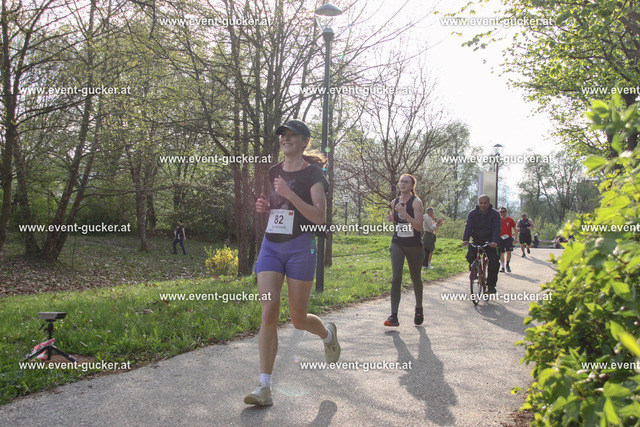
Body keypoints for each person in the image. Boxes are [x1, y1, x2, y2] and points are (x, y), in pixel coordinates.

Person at [245, 120, 339, 406]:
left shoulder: (314, 173)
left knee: (298, 320)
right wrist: (264, 206)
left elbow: (318, 216)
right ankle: (264, 387)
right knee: (268, 312)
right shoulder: (274, 171)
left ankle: (327, 334)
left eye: (291, 135)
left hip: (300, 247)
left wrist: (289, 194)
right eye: (282, 135)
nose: (285, 139)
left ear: (304, 141)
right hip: (271, 246)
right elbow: (278, 206)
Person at [385, 174, 425, 327]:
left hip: (414, 245)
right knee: (396, 277)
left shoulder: (416, 202)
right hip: (398, 243)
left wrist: (403, 212)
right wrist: (393, 218)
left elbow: (418, 227)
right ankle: (393, 316)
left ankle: (419, 308)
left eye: (406, 182)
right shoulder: (394, 202)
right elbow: (398, 223)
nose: (403, 184)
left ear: (412, 185)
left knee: (416, 278)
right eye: (401, 181)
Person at [462, 195, 500, 294]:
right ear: (478, 203)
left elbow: (496, 228)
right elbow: (468, 227)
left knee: (494, 261)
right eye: (481, 203)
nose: (483, 205)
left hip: (490, 242)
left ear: (489, 203)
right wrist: (465, 239)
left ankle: (491, 286)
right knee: (470, 256)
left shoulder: (495, 214)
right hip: (477, 240)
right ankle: (475, 270)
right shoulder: (472, 213)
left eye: (485, 203)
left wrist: (495, 241)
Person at [498, 207, 517, 273]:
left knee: (509, 252)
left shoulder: (510, 220)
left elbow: (515, 229)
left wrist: (516, 238)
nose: (502, 213)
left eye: (503, 211)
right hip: (501, 238)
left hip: (508, 238)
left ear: (506, 212)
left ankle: (507, 265)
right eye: (501, 212)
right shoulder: (498, 220)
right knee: (502, 253)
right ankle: (502, 266)